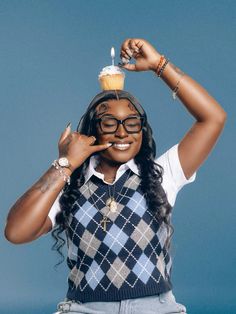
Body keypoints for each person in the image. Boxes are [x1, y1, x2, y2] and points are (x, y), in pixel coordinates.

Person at [5, 38, 226, 314]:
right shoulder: (69, 184)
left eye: (132, 123)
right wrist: (64, 164)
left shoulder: (161, 175)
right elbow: (16, 231)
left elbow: (213, 118)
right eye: (110, 123)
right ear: (92, 129)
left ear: (142, 130)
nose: (122, 133)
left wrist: (159, 65)